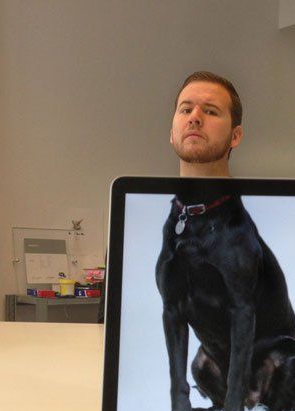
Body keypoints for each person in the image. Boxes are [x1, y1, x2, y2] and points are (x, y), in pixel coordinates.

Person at [98, 71, 243, 322]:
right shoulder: (133, 216)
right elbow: (107, 327)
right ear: (171, 132)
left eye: (210, 111)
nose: (195, 118)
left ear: (236, 136)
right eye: (186, 110)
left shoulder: (251, 222)